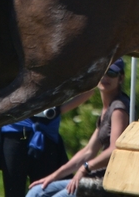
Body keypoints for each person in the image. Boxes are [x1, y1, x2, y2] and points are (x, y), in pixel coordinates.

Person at [26, 58, 130, 197]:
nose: (105, 77)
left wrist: (85, 168)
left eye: (112, 73)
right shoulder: (108, 108)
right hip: (93, 176)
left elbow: (115, 149)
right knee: (36, 191)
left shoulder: (118, 109)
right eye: (102, 72)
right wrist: (53, 177)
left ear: (121, 78)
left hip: (106, 182)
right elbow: (88, 151)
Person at [0, 91, 93, 197]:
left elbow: (89, 89)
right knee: (13, 190)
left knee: (43, 189)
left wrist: (59, 110)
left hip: (46, 133)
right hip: (14, 131)